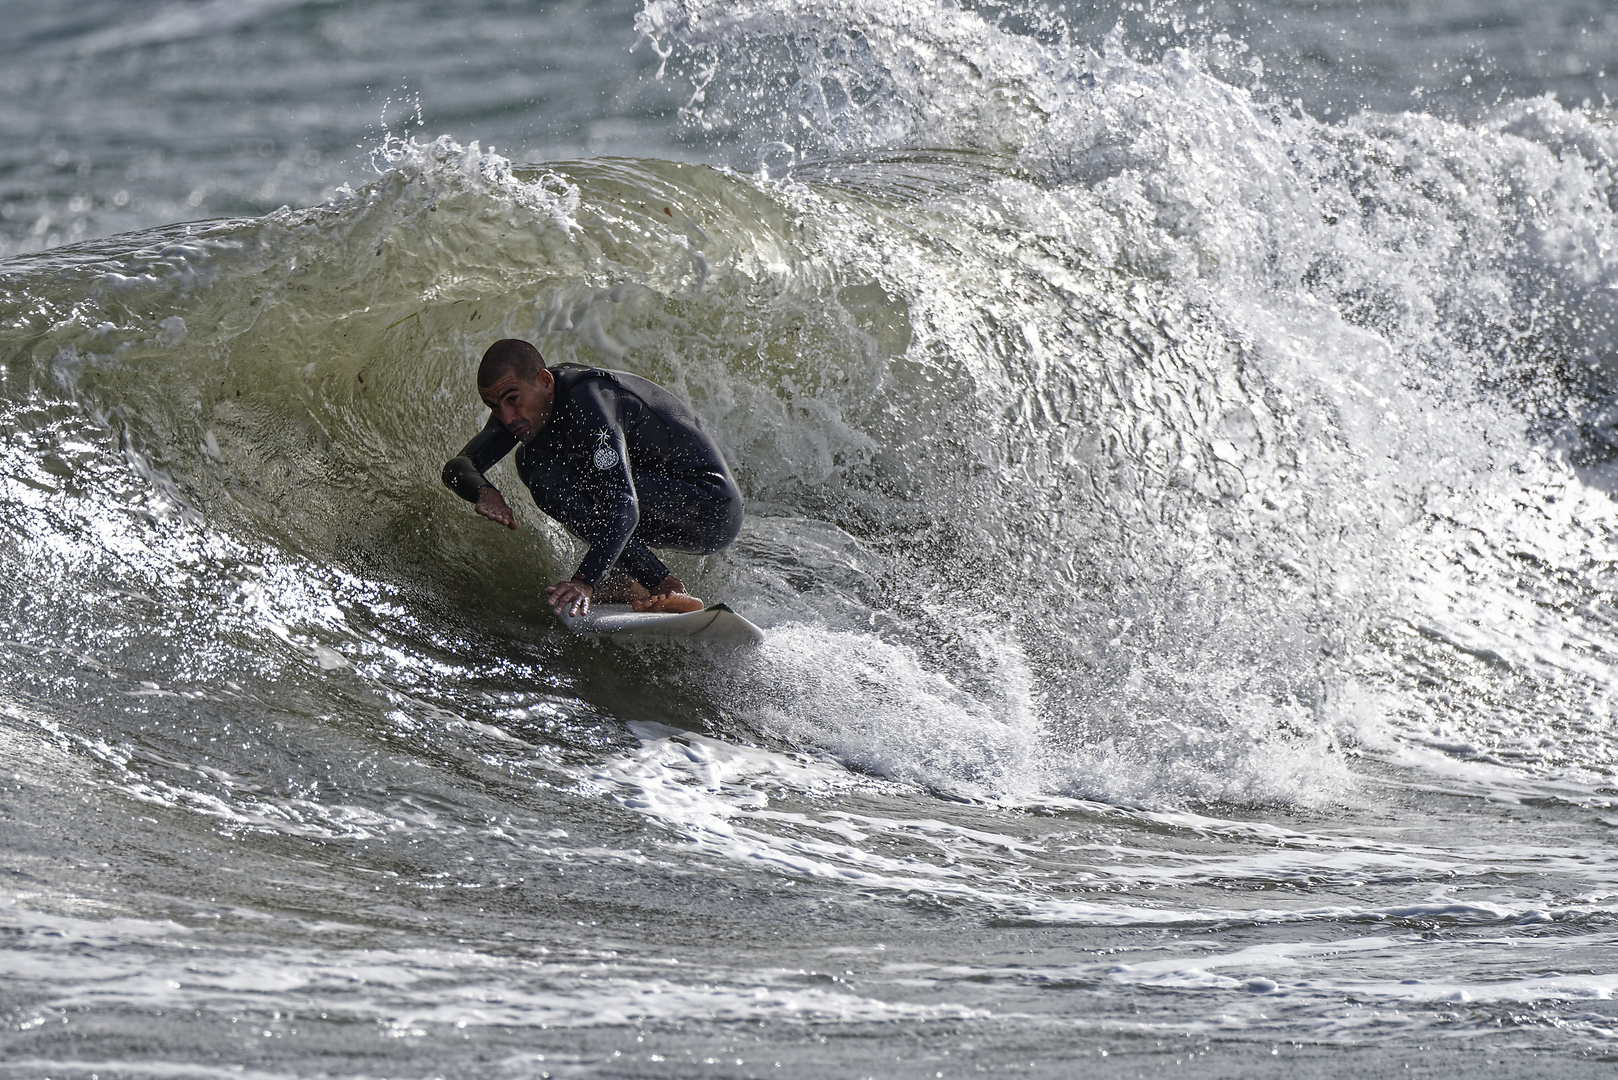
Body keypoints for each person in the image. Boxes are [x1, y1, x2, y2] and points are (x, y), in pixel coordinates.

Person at [441, 338, 743, 618]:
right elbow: (459, 465)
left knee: (569, 477)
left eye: (512, 399)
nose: (507, 417)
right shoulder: (521, 410)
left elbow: (623, 504)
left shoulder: (588, 398)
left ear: (545, 381)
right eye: (494, 406)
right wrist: (484, 491)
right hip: (655, 498)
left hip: (710, 505)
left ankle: (665, 585)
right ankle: (629, 580)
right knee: (534, 463)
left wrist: (585, 581)